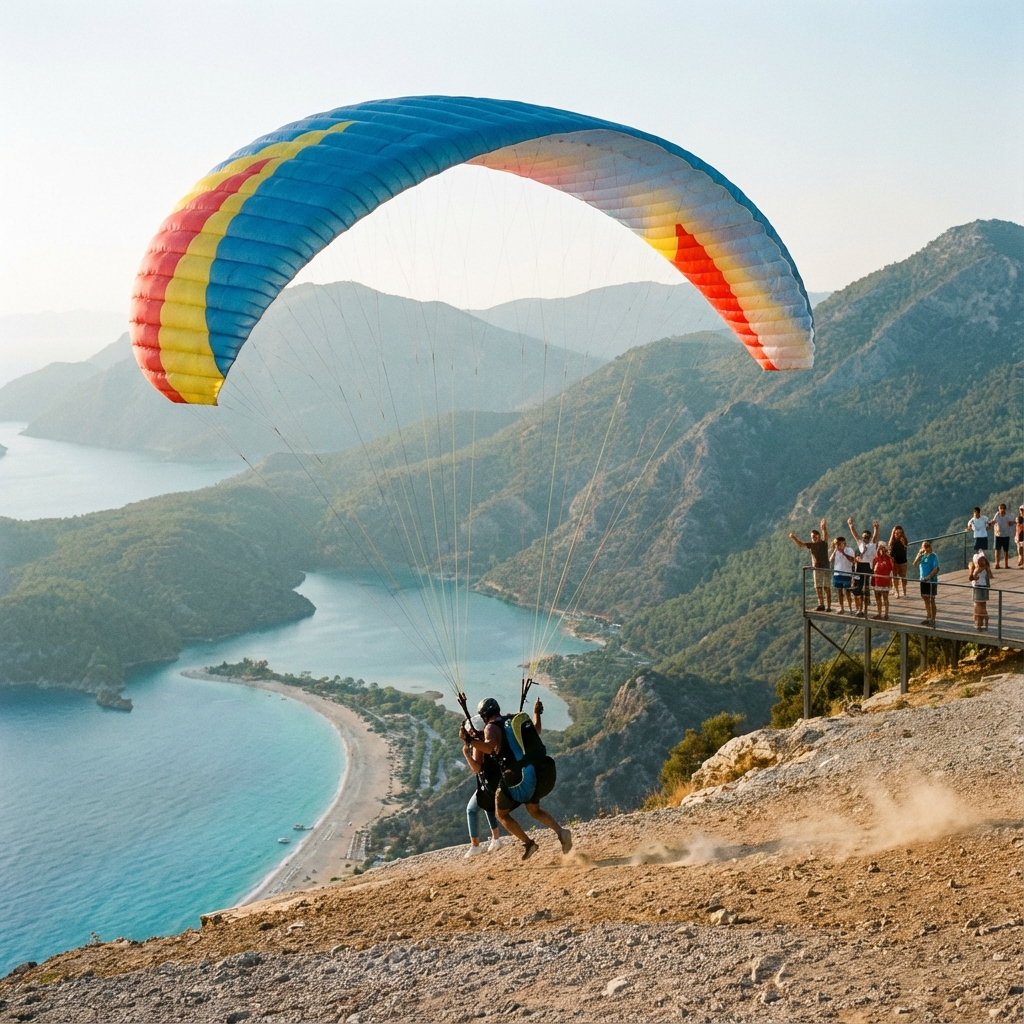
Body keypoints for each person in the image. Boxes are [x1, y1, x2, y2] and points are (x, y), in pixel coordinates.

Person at [462, 696, 572, 862]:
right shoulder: (512, 720)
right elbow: (536, 730)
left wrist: (469, 740)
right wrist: (536, 714)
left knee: (502, 813)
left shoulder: (491, 727)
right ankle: (562, 832)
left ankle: (529, 844)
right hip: (540, 770)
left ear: (484, 716)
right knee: (534, 810)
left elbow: (489, 747)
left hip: (520, 777)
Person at [461, 715, 503, 858]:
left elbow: (477, 768)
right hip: (496, 781)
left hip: (488, 783)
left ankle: (475, 845)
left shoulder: (479, 745)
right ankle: (496, 839)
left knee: (471, 810)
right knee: (487, 807)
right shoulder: (490, 738)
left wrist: (466, 754)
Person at [789, 518, 831, 611]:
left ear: (818, 536)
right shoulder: (811, 545)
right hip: (817, 568)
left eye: (815, 537)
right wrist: (793, 538)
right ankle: (821, 604)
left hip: (825, 567)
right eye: (812, 537)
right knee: (818, 587)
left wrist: (823, 527)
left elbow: (826, 535)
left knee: (826, 587)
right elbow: (801, 544)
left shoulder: (823, 543)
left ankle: (828, 606)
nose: (814, 538)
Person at [847, 518, 879, 616]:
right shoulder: (860, 544)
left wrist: (876, 528)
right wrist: (850, 525)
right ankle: (859, 609)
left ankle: (864, 610)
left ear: (869, 538)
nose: (865, 539)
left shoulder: (872, 545)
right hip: (858, 569)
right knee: (858, 589)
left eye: (867, 537)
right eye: (864, 537)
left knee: (865, 590)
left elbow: (875, 538)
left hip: (867, 569)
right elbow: (855, 536)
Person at [913, 540, 940, 627]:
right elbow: (915, 564)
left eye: (927, 546)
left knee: (932, 599)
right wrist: (918, 554)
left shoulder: (933, 556)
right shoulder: (922, 556)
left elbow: (937, 568)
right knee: (925, 598)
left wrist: (929, 576)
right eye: (924, 546)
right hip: (923, 579)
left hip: (931, 580)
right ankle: (928, 616)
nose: (926, 548)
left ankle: (933, 619)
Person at [830, 535, 858, 614]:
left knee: (847, 592)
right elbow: (830, 560)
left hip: (846, 574)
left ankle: (850, 608)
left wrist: (844, 553)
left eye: (840, 543)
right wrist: (835, 551)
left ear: (844, 543)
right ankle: (842, 608)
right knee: (839, 591)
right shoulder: (836, 551)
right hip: (837, 573)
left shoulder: (849, 550)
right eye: (837, 544)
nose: (839, 545)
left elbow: (853, 560)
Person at [870, 542, 894, 620]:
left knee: (885, 597)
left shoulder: (889, 559)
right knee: (877, 597)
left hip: (885, 580)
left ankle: (886, 614)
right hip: (877, 579)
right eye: (881, 549)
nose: (882, 551)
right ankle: (879, 613)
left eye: (884, 549)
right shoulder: (876, 558)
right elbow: (873, 569)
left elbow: (892, 568)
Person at [969, 554, 991, 631]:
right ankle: (980, 622)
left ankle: (982, 622)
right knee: (979, 606)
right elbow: (974, 575)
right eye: (980, 560)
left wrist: (987, 568)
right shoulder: (977, 569)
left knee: (981, 605)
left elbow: (990, 575)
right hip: (978, 588)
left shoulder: (984, 569)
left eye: (983, 560)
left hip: (983, 588)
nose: (982, 561)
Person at [990, 503, 1014, 570]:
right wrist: (990, 523)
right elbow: (994, 521)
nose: (1001, 510)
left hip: (1006, 535)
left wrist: (1014, 522)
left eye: (1003, 508)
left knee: (1005, 550)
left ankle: (1006, 564)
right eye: (1000, 508)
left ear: (1005, 509)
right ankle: (997, 564)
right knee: (997, 550)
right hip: (998, 535)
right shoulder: (997, 515)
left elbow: (1011, 522)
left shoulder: (1008, 516)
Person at [888, 525, 909, 598]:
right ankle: (896, 591)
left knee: (903, 576)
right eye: (896, 533)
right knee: (895, 577)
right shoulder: (892, 541)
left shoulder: (903, 539)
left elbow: (905, 546)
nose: (898, 535)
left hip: (903, 561)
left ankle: (904, 591)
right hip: (894, 561)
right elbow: (889, 546)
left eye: (899, 533)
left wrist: (902, 541)